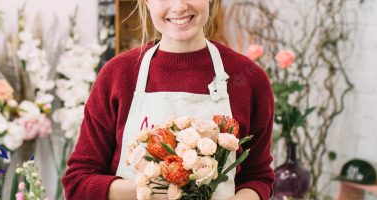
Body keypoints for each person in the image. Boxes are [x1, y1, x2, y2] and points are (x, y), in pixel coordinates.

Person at [61, 0, 274, 199]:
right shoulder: (118, 75)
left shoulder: (249, 79)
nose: (179, 6)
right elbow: (78, 182)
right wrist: (149, 191)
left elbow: (258, 178)